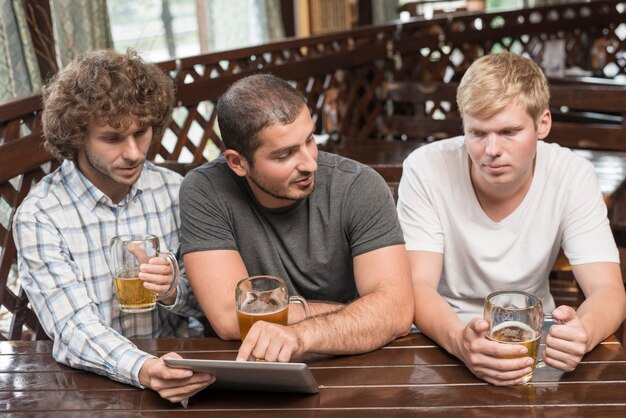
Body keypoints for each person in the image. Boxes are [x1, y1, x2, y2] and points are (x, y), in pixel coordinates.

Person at [397, 52, 626, 386]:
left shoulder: (572, 173)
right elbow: (416, 287)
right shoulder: (426, 168)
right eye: (477, 133)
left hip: (537, 336)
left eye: (509, 131)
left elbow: (608, 289)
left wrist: (583, 333)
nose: (491, 150)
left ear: (542, 124)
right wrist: (461, 342)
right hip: (441, 339)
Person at [13, 49, 214, 402]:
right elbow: (73, 328)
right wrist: (143, 368)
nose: (135, 152)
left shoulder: (173, 190)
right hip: (86, 390)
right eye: (112, 138)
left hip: (180, 373)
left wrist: (173, 290)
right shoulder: (40, 215)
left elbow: (210, 303)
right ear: (76, 137)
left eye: (142, 132)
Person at [179, 73, 414, 362]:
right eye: (285, 155)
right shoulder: (205, 190)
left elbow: (396, 312)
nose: (309, 163)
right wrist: (357, 312)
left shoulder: (359, 184)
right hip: (255, 367)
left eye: (310, 140)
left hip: (354, 362)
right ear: (237, 162)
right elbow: (231, 319)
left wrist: (300, 334)